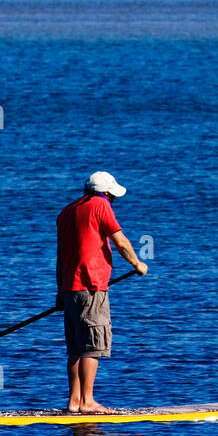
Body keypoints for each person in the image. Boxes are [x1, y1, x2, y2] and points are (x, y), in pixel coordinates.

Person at [56, 171, 148, 414]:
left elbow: (60, 256)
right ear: (105, 193)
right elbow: (120, 241)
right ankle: (87, 402)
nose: (113, 200)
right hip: (91, 286)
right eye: (112, 196)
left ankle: (74, 401)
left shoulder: (67, 212)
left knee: (75, 347)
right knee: (92, 345)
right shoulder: (101, 205)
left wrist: (59, 291)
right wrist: (137, 264)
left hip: (69, 288)